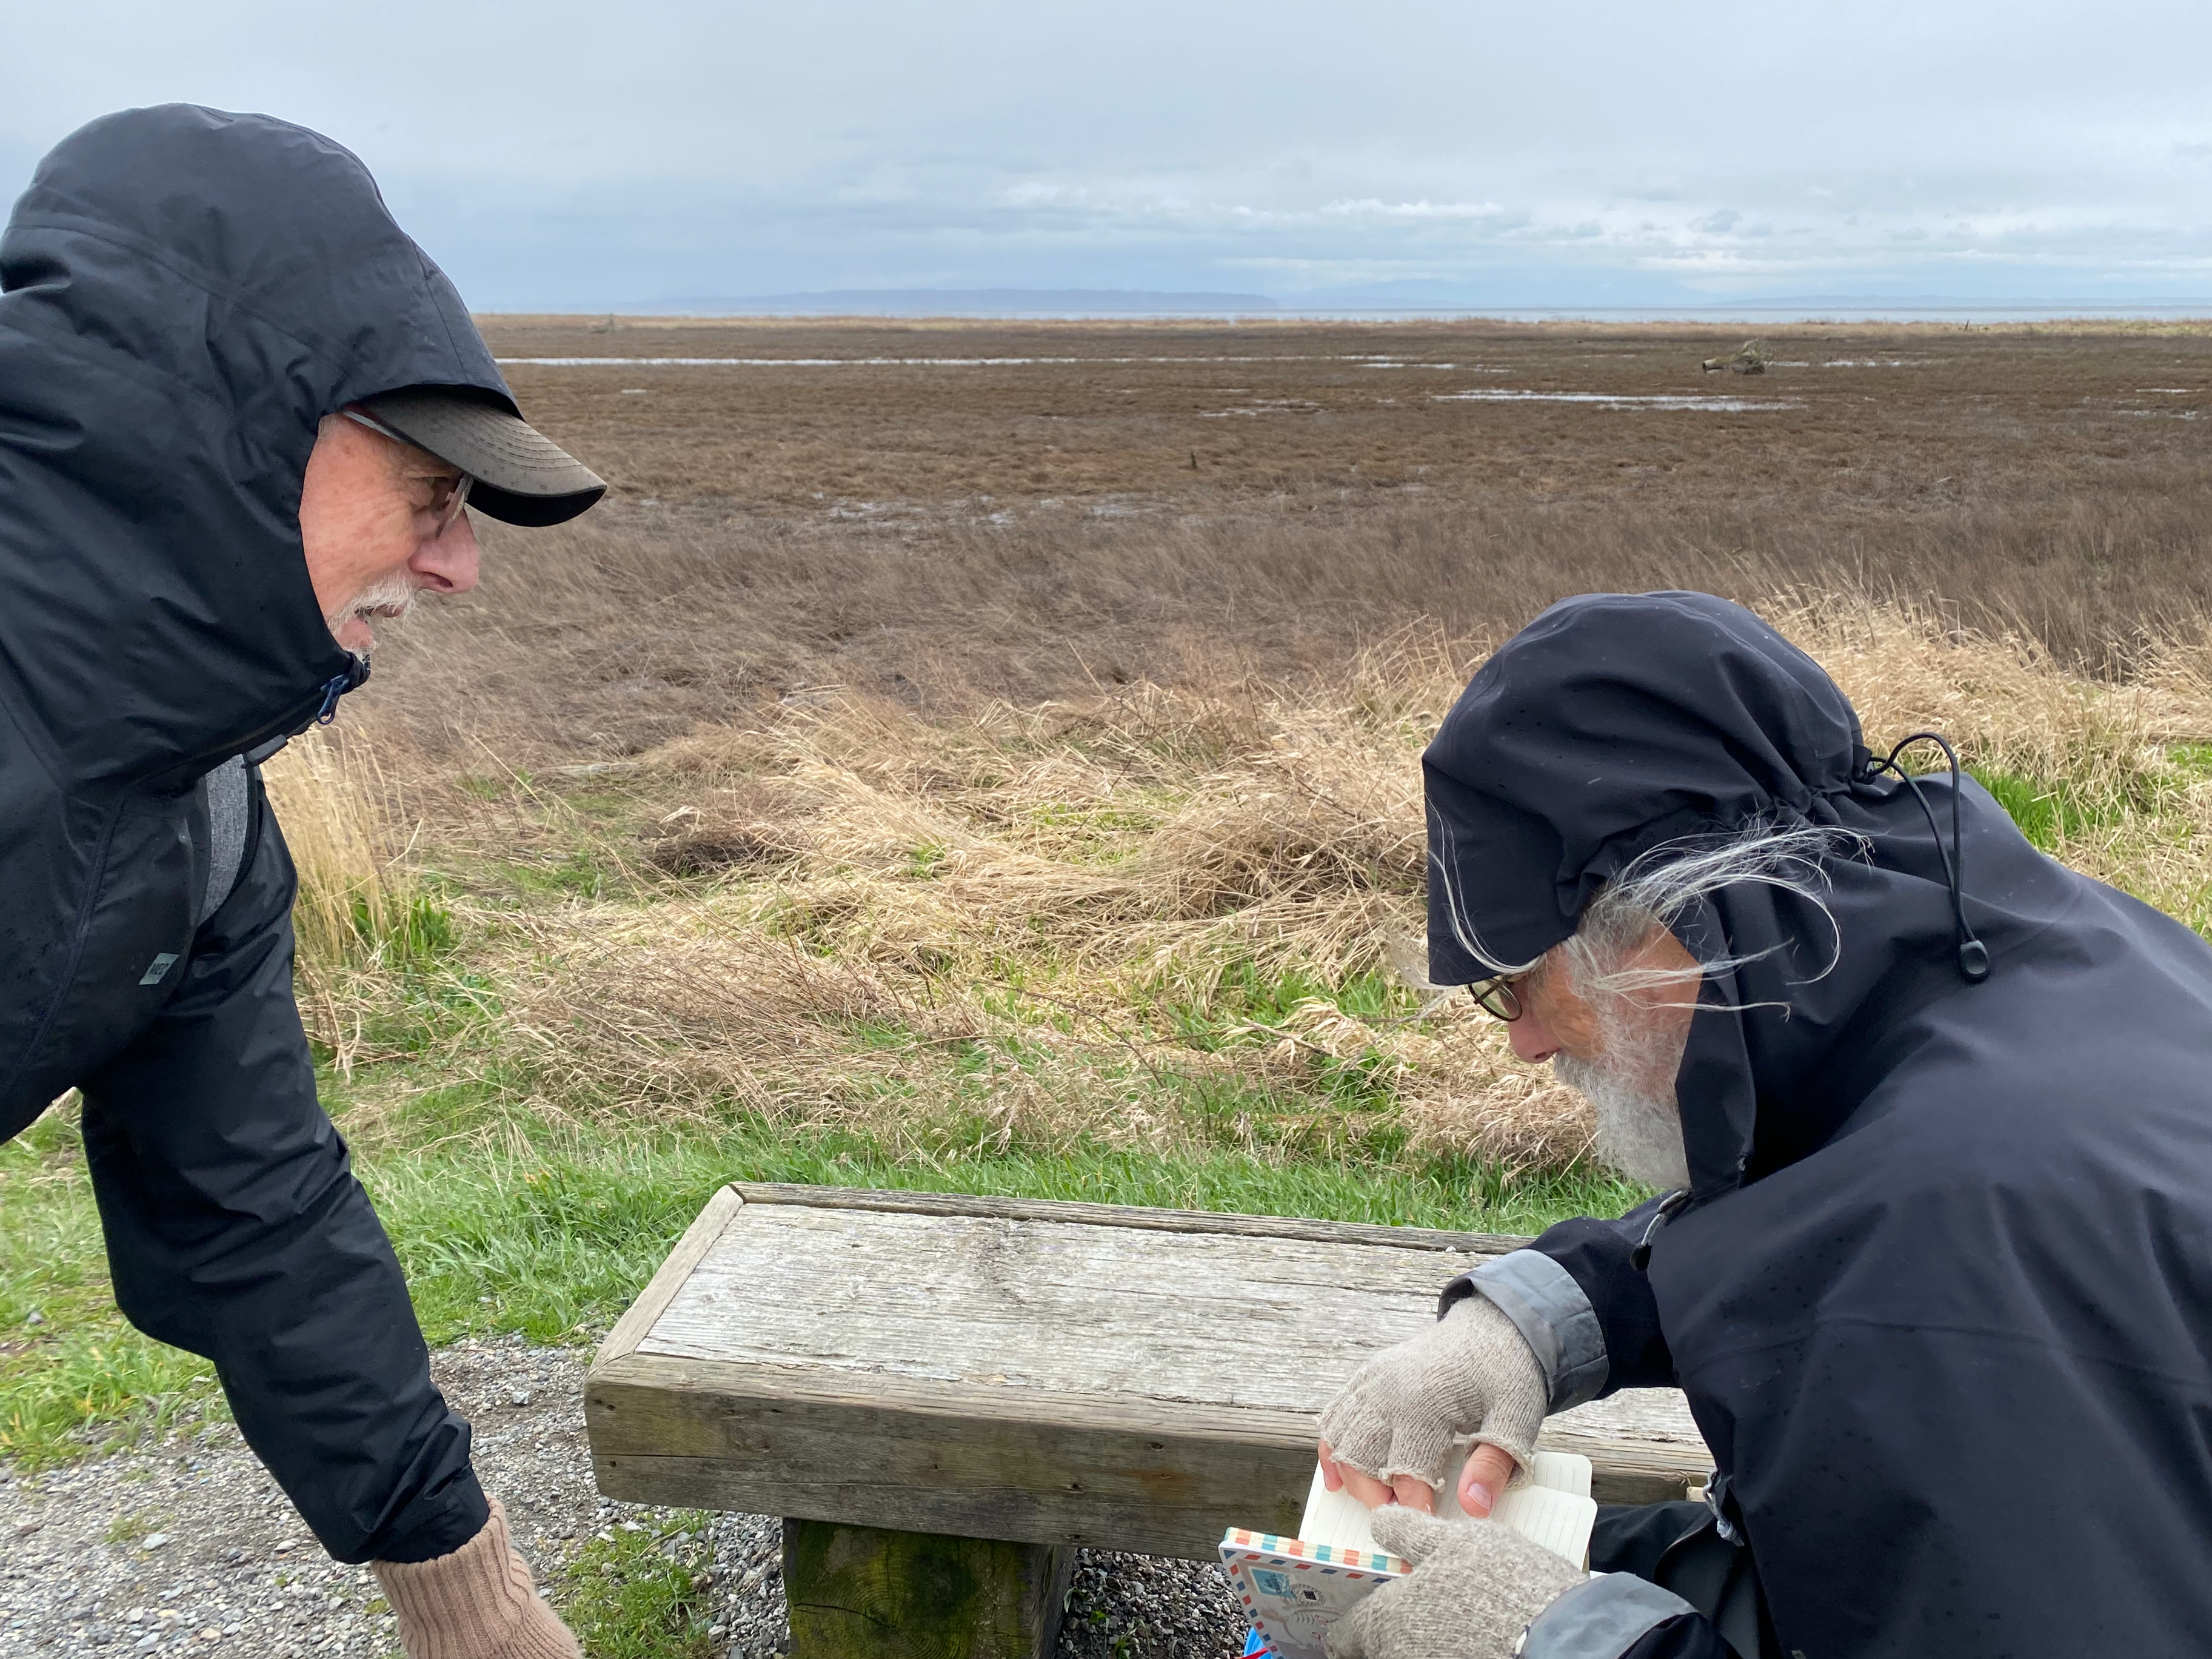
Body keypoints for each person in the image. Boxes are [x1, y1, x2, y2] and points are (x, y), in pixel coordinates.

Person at [1314, 592, 2212, 1658]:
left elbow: (1897, 1256)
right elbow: (1826, 1182)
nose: (1523, 1043)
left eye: (1517, 983)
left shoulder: (1928, 1271)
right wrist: (1528, 1324)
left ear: (1662, 923)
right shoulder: (2017, 938)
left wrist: (1559, 1644)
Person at [1, 106, 607, 1658]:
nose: (461, 566)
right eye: (431, 493)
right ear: (218, 440)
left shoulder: (197, 809)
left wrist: (471, 1599)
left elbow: (252, 1205)